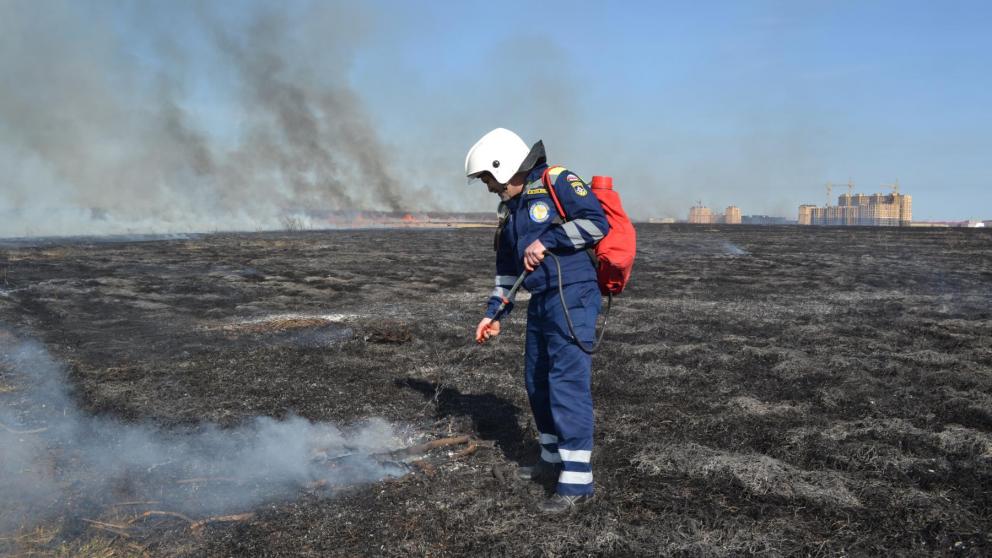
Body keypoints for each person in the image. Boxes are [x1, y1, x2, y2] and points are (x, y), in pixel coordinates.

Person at [465, 128, 608, 513]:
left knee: (565, 382)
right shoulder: (510, 213)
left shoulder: (557, 180)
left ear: (504, 166)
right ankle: (551, 459)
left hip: (574, 295)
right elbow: (508, 276)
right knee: (536, 379)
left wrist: (548, 241)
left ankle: (577, 484)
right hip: (543, 301)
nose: (489, 188)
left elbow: (596, 223)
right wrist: (491, 315)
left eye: (488, 179)